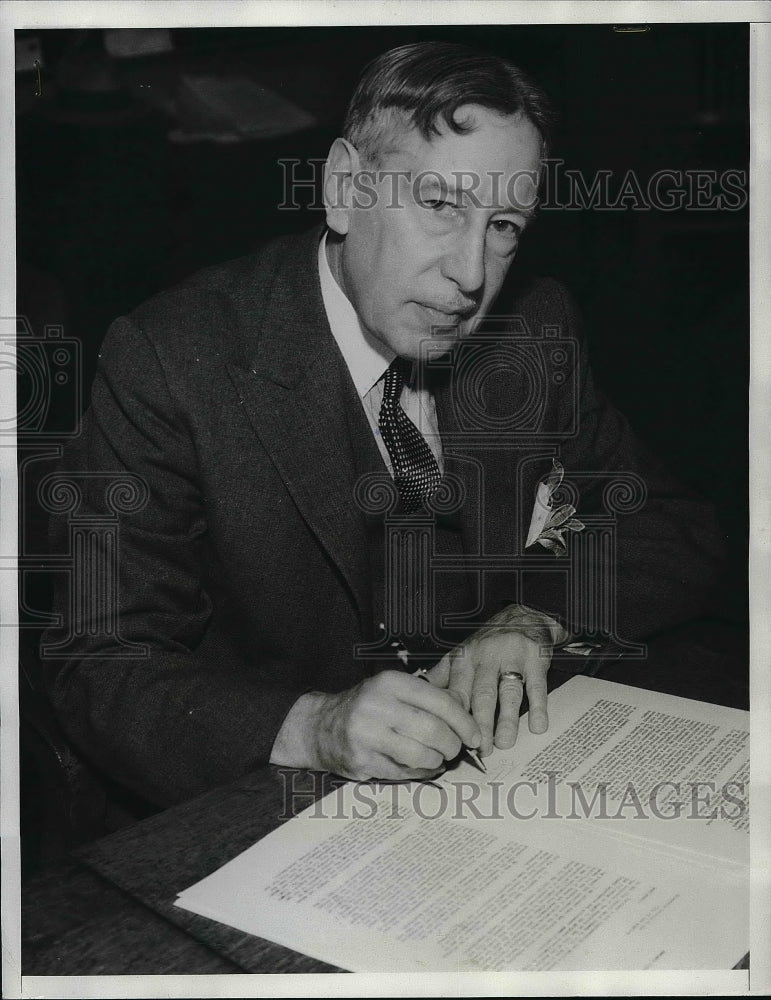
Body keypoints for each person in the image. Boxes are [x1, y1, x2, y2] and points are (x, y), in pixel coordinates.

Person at [42, 41, 724, 807]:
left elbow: (674, 528)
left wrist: (534, 615)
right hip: (259, 809)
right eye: (439, 205)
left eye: (503, 224)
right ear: (342, 187)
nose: (469, 275)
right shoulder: (173, 358)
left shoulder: (533, 327)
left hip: (490, 787)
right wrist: (311, 726)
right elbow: (97, 663)